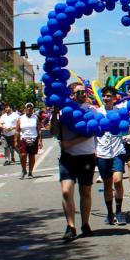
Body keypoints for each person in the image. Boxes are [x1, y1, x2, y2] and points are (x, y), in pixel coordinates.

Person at [51, 82, 97, 241]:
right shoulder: (64, 110)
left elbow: (91, 132)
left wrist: (71, 143)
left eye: (84, 92)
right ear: (71, 95)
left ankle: (85, 224)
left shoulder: (91, 110)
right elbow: (54, 131)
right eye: (79, 92)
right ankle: (70, 226)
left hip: (86, 156)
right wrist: (55, 113)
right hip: (68, 157)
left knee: (85, 192)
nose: (83, 94)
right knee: (66, 191)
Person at [95, 86, 128, 226]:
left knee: (118, 180)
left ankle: (119, 211)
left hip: (117, 151)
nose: (106, 98)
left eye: (109, 96)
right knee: (107, 184)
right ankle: (110, 213)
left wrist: (126, 134)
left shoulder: (119, 112)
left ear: (114, 98)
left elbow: (126, 129)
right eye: (104, 96)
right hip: (102, 153)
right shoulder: (97, 112)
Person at [16, 102, 42, 179]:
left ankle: (30, 172)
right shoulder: (21, 118)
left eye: (31, 107)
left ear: (33, 109)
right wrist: (16, 141)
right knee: (23, 155)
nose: (29, 109)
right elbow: (17, 130)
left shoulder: (36, 118)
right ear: (25, 109)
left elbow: (39, 130)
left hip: (34, 138)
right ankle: (24, 170)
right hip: (24, 139)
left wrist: (40, 140)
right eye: (28, 107)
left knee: (32, 156)